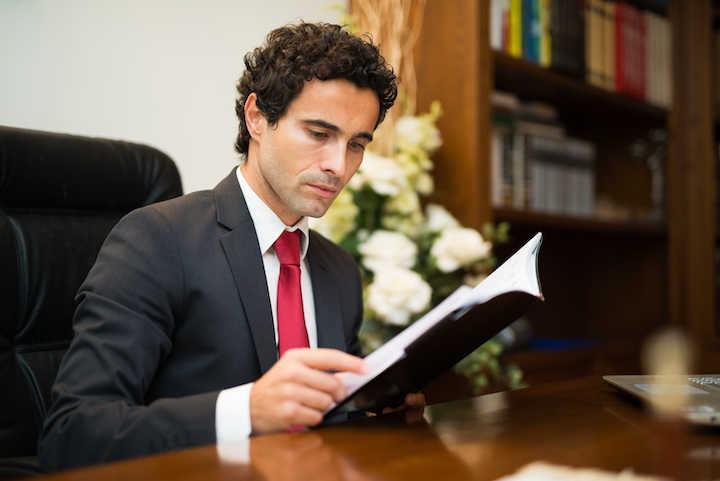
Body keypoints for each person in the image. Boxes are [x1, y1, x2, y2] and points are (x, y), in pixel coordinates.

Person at [38, 21, 425, 471]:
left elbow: (331, 417)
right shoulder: (156, 240)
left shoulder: (338, 270)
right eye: (319, 134)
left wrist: (376, 411)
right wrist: (246, 410)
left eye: (356, 144)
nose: (338, 166)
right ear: (257, 117)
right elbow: (72, 436)